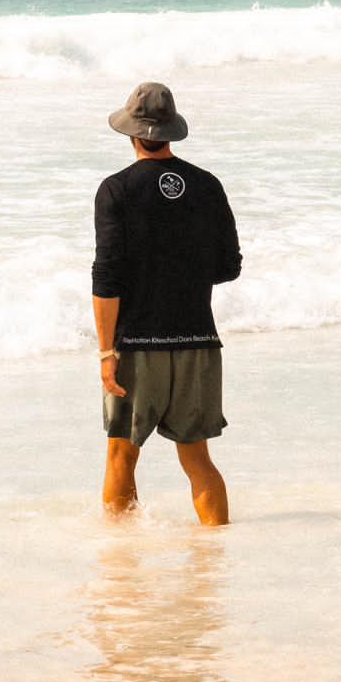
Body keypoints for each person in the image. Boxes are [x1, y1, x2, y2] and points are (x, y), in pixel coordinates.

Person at [92, 82, 242, 526]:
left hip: (137, 342)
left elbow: (108, 277)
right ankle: (216, 559)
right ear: (171, 132)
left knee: (122, 455)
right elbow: (228, 266)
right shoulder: (207, 185)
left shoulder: (116, 190)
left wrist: (105, 352)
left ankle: (121, 569)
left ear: (131, 133)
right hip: (198, 339)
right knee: (198, 460)